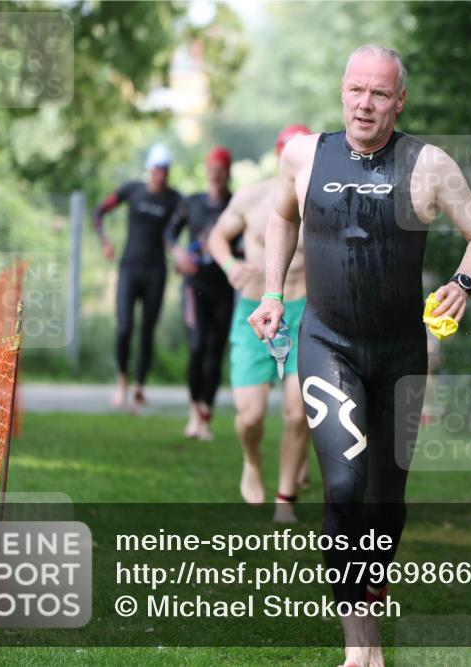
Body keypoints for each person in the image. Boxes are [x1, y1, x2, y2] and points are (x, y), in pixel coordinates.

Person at [248, 45, 471, 667]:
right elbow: (283, 215)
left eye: (380, 94)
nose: (365, 103)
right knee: (343, 483)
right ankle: (361, 649)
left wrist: (461, 285)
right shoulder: (305, 154)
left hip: (399, 354)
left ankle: (371, 581)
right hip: (327, 343)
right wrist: (274, 292)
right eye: (356, 90)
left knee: (387, 503)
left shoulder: (428, 164)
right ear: (342, 91)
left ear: (400, 100)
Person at [207, 125, 314, 523]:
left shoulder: (322, 200)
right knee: (250, 416)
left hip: (304, 309)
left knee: (298, 411)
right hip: (254, 310)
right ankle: (251, 462)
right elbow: (217, 236)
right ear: (280, 155)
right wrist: (231, 264)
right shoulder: (253, 197)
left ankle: (285, 498)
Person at [93, 142, 182, 412]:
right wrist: (105, 241)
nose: (161, 174)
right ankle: (122, 382)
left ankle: (140, 388)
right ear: (149, 169)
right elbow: (98, 212)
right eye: (157, 169)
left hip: (156, 272)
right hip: (129, 269)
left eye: (165, 170)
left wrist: (179, 253)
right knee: (124, 328)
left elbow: (180, 229)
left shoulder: (175, 199)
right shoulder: (132, 190)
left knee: (147, 332)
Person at [164, 146, 235, 440]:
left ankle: (206, 414)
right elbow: (169, 233)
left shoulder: (235, 204)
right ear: (207, 172)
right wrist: (179, 253)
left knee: (215, 353)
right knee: (196, 348)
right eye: (212, 171)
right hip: (195, 287)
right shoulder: (190, 203)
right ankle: (194, 412)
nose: (216, 176)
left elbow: (245, 243)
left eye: (221, 171)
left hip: (223, 288)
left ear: (227, 173)